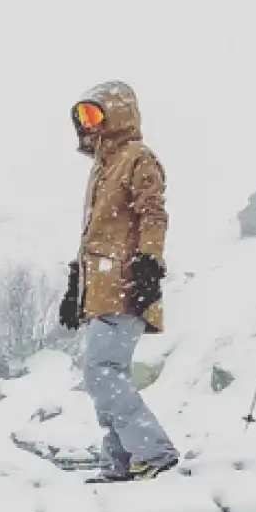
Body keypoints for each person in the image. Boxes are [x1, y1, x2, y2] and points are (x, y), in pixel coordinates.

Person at [58, 81, 179, 482]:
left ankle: (153, 451)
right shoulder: (102, 168)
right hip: (101, 288)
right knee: (102, 375)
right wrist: (77, 285)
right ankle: (126, 458)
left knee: (103, 371)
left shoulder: (136, 158)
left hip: (124, 283)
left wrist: (149, 264)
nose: (87, 126)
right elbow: (96, 236)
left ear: (118, 114)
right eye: (81, 119)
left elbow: (153, 214)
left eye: (94, 115)